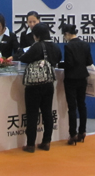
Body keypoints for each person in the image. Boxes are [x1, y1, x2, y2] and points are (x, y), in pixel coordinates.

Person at [20, 23, 62, 152]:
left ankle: (30, 144)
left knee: (32, 114)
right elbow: (58, 59)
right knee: (47, 113)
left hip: (34, 85)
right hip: (48, 84)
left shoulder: (37, 46)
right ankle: (46, 142)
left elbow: (24, 58)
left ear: (37, 35)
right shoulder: (55, 47)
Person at [59, 23, 93, 145]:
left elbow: (69, 64)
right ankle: (82, 131)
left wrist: (59, 64)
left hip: (71, 79)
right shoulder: (85, 44)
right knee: (82, 105)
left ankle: (72, 134)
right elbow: (89, 61)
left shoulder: (68, 46)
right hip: (82, 78)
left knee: (72, 107)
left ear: (67, 34)